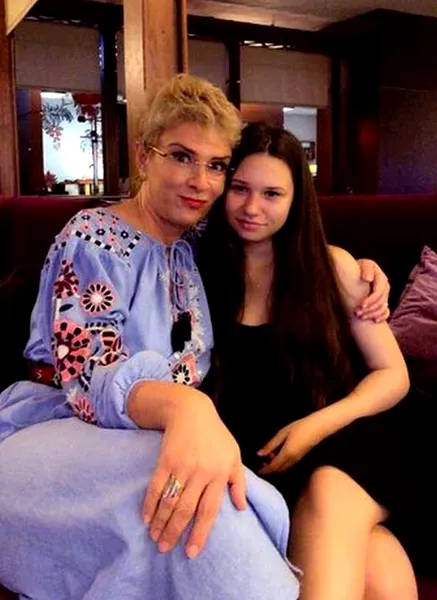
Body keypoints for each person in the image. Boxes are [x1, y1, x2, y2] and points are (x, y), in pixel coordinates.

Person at [0, 75, 388, 600]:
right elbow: (88, 373)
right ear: (144, 156)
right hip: (60, 425)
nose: (200, 181)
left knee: (358, 555)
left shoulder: (195, 243)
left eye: (216, 165)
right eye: (181, 156)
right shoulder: (92, 236)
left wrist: (360, 270)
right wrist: (187, 408)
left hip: (156, 436)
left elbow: (283, 236)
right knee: (206, 493)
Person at [198, 122, 416, 600]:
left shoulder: (332, 266)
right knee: (379, 576)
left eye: (272, 194)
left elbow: (394, 374)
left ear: (298, 199)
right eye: (240, 188)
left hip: (351, 437)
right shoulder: (194, 270)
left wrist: (316, 426)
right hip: (266, 464)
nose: (252, 208)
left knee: (329, 490)